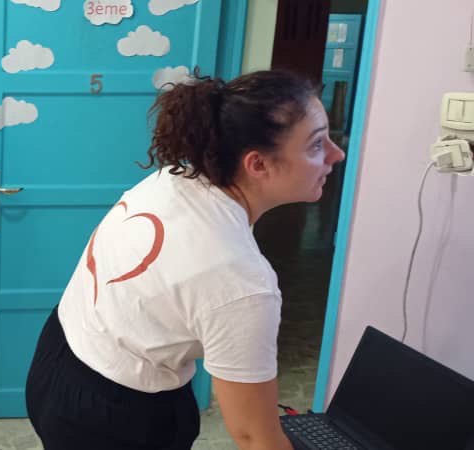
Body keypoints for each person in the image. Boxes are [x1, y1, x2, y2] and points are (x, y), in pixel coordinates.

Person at [25, 70, 346, 450]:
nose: (336, 154)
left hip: (58, 358)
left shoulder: (176, 178)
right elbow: (255, 437)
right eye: (315, 145)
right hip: (110, 416)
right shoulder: (241, 282)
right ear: (257, 164)